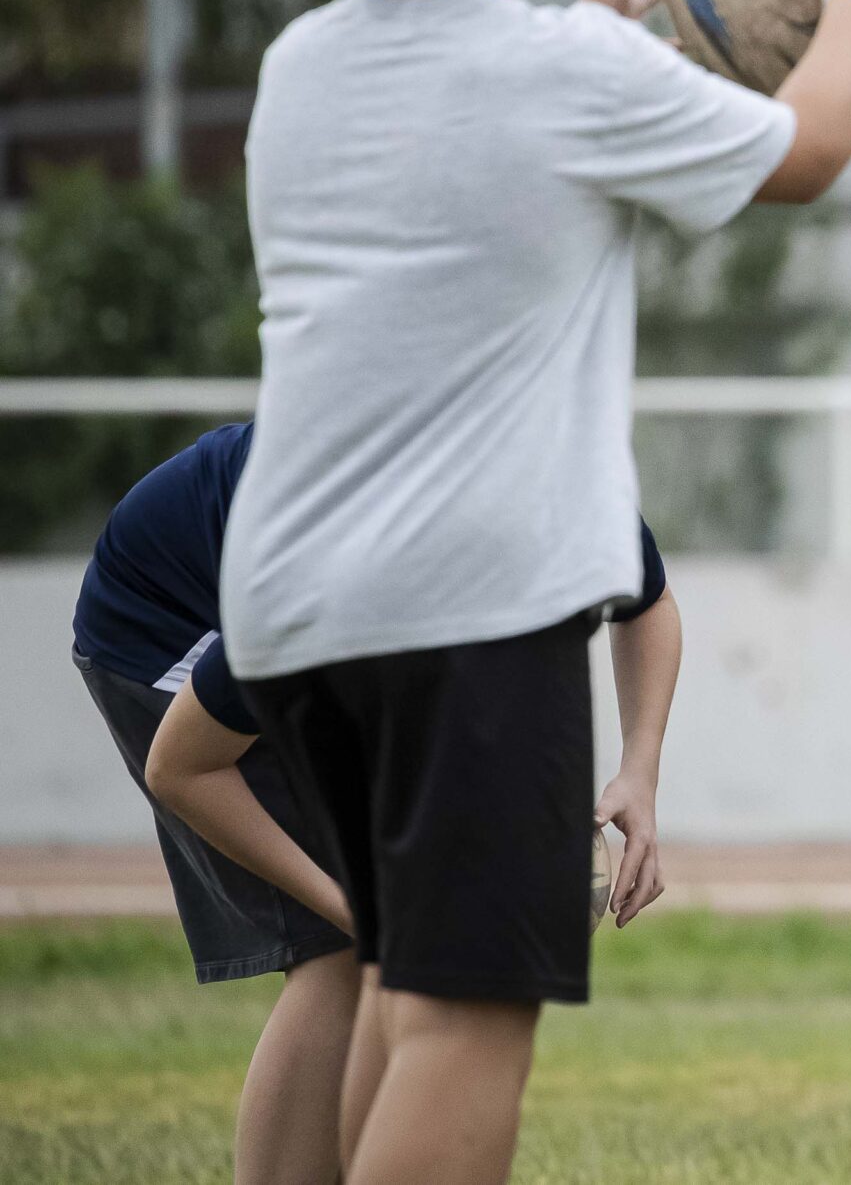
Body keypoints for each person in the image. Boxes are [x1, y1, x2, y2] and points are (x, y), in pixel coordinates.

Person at [216, 0, 851, 1185]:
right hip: (467, 616)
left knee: (392, 982)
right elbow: (805, 151)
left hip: (295, 616)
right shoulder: (564, 79)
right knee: (467, 1022)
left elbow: (474, 170)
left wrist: (599, 36)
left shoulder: (301, 67)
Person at [70, 421, 681, 1185]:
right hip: (161, 623)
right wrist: (356, 907)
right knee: (342, 949)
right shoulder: (330, 584)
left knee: (398, 937)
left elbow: (648, 601)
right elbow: (184, 768)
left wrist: (639, 771)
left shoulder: (551, 490)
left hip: (314, 583)